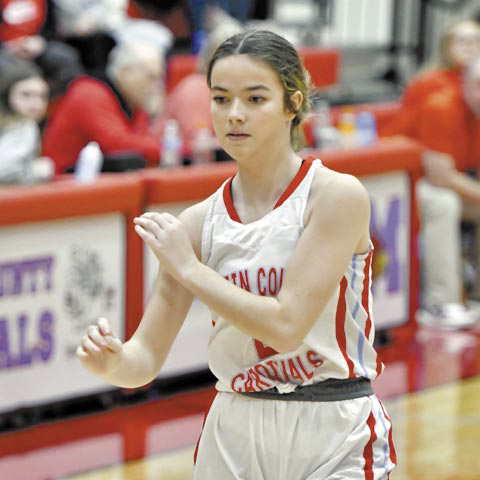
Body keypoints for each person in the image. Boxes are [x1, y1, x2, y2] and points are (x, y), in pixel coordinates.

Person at [76, 30, 396, 478]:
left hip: (334, 423)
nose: (235, 115)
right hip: (235, 428)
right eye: (221, 99)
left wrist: (190, 269)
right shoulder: (197, 223)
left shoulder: (335, 195)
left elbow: (286, 326)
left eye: (255, 99)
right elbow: (143, 361)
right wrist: (112, 362)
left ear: (292, 104)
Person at [407, 53, 480, 329]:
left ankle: (476, 299)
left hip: (445, 182)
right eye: (478, 84)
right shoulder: (442, 106)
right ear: (464, 83)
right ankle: (441, 303)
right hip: (406, 183)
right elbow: (440, 175)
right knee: (444, 203)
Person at [42, 38, 165, 174]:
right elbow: (118, 144)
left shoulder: (134, 99)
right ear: (125, 72)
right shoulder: (89, 94)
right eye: (151, 77)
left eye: (159, 78)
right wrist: (172, 150)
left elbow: (143, 140)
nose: (156, 86)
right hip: (64, 183)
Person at [380, 18, 480, 138]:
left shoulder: (472, 80)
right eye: (462, 41)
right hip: (415, 145)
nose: (470, 46)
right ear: (447, 47)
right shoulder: (430, 81)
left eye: (476, 40)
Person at [0, 56, 53, 184]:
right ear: (7, 95)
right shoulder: (24, 126)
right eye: (25, 94)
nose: (35, 104)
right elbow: (3, 171)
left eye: (41, 96)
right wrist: (37, 170)